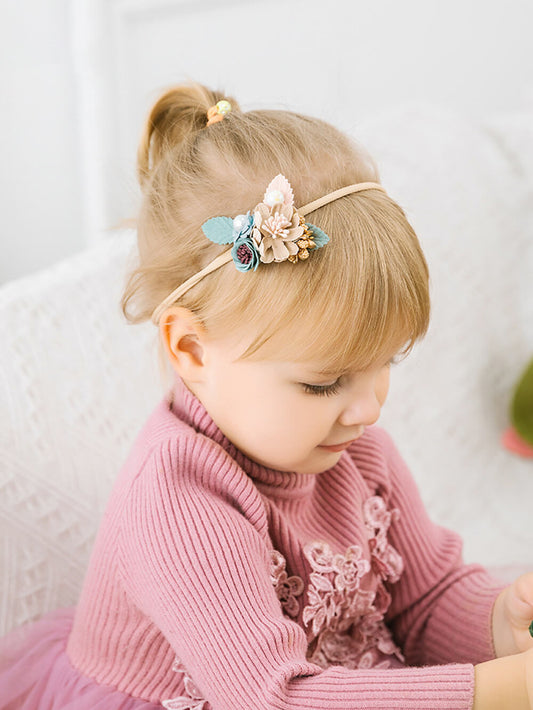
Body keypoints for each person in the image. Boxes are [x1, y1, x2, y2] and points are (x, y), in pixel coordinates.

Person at [1, 82, 533, 710]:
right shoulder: (181, 503)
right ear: (193, 351)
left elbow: (425, 601)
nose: (369, 410)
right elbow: (272, 699)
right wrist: (491, 692)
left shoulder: (358, 452)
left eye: (384, 363)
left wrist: (503, 618)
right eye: (324, 382)